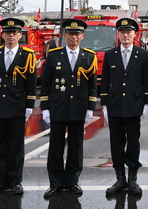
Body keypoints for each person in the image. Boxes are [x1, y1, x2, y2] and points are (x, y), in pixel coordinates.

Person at [41, 18, 98, 198]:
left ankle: (72, 181)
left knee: (76, 146)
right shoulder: (54, 55)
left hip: (78, 107)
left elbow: (92, 85)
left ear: (82, 36)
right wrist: (45, 108)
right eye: (70, 34)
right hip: (57, 106)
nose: (73, 37)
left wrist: (90, 107)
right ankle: (55, 183)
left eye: (77, 34)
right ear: (64, 36)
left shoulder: (89, 56)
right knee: (56, 146)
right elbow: (46, 84)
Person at [0, 18, 37, 196]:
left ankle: (15, 182)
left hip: (17, 106)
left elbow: (31, 83)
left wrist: (30, 104)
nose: (11, 36)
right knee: (0, 145)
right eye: (7, 33)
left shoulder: (28, 55)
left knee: (16, 146)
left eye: (14, 33)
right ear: (3, 35)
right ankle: (0, 182)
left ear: (20, 35)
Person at [101, 18, 148, 196]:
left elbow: (147, 80)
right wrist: (104, 105)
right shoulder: (110, 54)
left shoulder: (143, 55)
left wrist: (146, 102)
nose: (125, 35)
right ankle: (120, 179)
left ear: (134, 34)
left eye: (128, 32)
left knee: (133, 143)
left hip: (134, 105)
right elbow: (105, 80)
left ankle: (132, 180)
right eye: (122, 32)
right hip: (115, 105)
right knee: (116, 143)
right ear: (118, 34)